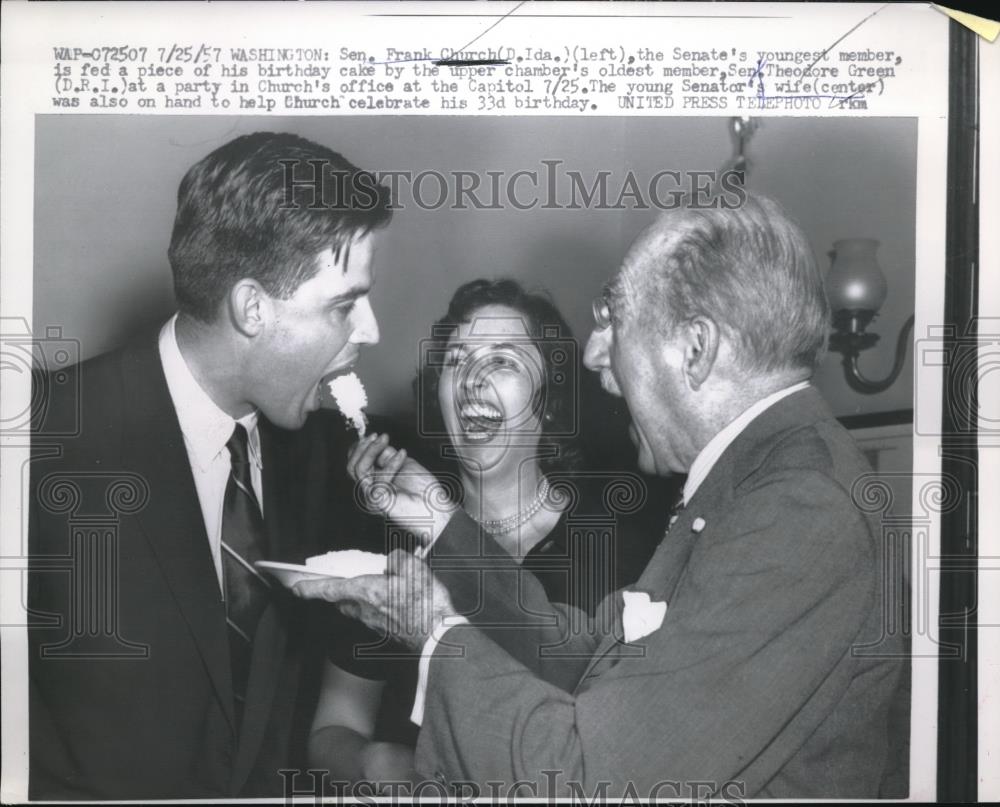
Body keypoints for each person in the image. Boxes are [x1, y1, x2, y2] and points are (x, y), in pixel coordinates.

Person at [295, 195, 907, 798]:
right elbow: (593, 659)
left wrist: (434, 631)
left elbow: (592, 779)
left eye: (616, 322)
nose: (593, 354)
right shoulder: (758, 483)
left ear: (696, 349)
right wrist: (440, 520)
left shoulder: (797, 508)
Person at [27, 131, 392, 799]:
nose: (369, 330)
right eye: (344, 304)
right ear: (253, 308)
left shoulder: (324, 454)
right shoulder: (38, 441)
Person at [308, 279, 638, 785]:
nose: (471, 379)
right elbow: (333, 727)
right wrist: (375, 764)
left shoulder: (615, 546)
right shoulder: (393, 545)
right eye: (456, 359)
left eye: (503, 361)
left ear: (549, 400)